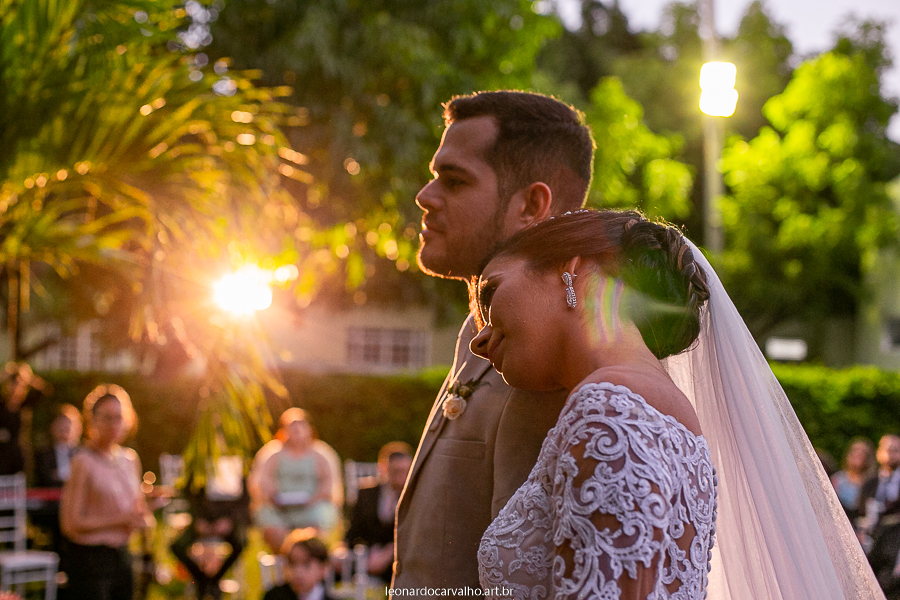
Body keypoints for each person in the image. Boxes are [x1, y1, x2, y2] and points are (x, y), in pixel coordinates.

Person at [468, 209, 884, 599]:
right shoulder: (660, 408)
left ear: (571, 268)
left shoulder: (608, 408)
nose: (479, 341)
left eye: (490, 296)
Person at [394, 90, 596, 594]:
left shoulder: (543, 364)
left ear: (531, 205)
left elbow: (526, 577)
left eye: (454, 180)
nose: (424, 195)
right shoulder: (478, 332)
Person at [59, 384, 154, 600]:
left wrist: (147, 509)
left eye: (118, 417)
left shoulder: (130, 459)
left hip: (123, 556)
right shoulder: (83, 461)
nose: (113, 424)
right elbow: (70, 523)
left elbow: (135, 507)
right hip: (91, 561)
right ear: (93, 421)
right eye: (107, 418)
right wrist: (120, 520)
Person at [253, 408, 340, 551]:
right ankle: (286, 556)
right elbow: (262, 482)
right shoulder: (272, 453)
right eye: (292, 427)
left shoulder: (322, 453)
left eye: (301, 425)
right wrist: (274, 497)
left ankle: (309, 557)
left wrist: (313, 499)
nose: (297, 431)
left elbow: (329, 483)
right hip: (280, 509)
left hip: (311, 507)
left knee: (321, 517)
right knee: (268, 519)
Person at [170, 460, 251, 600]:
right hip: (201, 521)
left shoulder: (234, 461)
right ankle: (203, 580)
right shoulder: (199, 460)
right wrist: (198, 519)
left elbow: (244, 498)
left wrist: (230, 520)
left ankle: (213, 581)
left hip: (227, 521)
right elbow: (189, 494)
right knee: (177, 546)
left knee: (241, 543)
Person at [345, 441, 412, 582]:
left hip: (400, 556)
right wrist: (344, 549)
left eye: (406, 472)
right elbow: (354, 530)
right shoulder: (366, 494)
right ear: (383, 468)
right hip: (367, 553)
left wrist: (389, 552)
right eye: (396, 471)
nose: (402, 477)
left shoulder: (414, 497)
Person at [0, 362, 49, 475]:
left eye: (19, 384)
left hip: (19, 453)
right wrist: (4, 374)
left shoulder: (25, 405)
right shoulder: (1, 403)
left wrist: (28, 377)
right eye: (13, 383)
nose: (15, 387)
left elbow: (44, 390)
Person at [262, 528, 337, 600]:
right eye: (292, 564)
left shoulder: (333, 596)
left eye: (306, 565)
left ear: (324, 568)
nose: (298, 572)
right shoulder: (274, 596)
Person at [831, 437, 876, 522]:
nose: (859, 456)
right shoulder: (838, 479)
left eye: (863, 453)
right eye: (856, 453)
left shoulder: (873, 482)